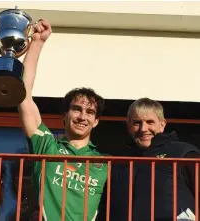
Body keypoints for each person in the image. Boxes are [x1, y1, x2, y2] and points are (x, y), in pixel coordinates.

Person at [18, 19, 108, 221]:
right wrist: (38, 44)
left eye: (90, 112)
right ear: (65, 116)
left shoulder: (105, 163)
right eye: (76, 109)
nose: (82, 116)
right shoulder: (46, 145)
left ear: (95, 121)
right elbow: (23, 96)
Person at [97, 98, 200, 221]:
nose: (143, 129)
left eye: (150, 122)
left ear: (162, 125)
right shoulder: (119, 161)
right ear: (128, 126)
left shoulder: (184, 153)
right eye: (137, 123)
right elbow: (105, 207)